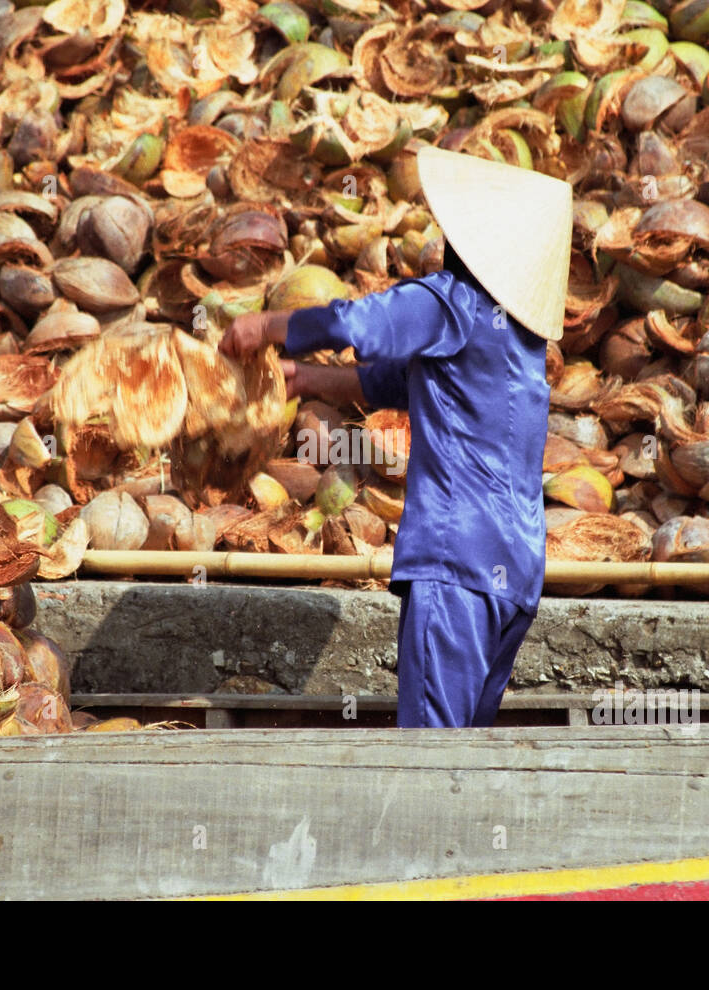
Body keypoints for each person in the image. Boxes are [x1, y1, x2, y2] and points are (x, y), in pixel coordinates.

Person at [221, 146, 572, 728]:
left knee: (431, 762)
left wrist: (266, 326)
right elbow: (404, 383)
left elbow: (357, 323)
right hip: (514, 574)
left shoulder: (449, 303)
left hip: (454, 562)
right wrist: (307, 378)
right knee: (466, 753)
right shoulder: (517, 343)